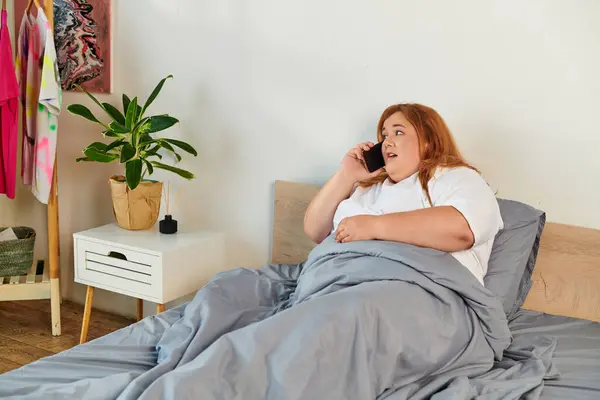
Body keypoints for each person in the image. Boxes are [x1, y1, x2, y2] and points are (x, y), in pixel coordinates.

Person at [304, 103, 503, 285]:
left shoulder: (458, 177)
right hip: (333, 279)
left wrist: (372, 226)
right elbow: (315, 231)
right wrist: (346, 175)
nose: (387, 142)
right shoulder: (367, 187)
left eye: (398, 132)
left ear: (428, 141)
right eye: (384, 136)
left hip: (409, 286)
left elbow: (462, 230)